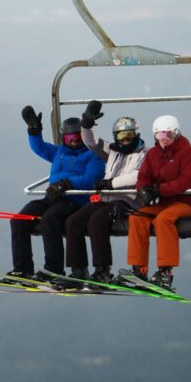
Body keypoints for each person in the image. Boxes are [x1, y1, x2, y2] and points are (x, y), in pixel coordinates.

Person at [5, 105, 105, 283]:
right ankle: (22, 268)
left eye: (77, 136)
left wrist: (66, 184)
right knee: (18, 219)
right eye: (69, 137)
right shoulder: (60, 152)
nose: (73, 141)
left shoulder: (92, 156)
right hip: (52, 197)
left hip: (75, 200)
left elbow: (91, 178)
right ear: (64, 137)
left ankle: (54, 268)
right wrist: (34, 130)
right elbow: (40, 148)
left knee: (49, 219)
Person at [61, 100, 147, 287]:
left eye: (129, 136)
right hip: (105, 199)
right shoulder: (113, 151)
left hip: (128, 200)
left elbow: (138, 175)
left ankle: (102, 271)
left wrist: (111, 183)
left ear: (136, 135)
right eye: (121, 136)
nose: (125, 140)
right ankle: (78, 270)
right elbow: (90, 141)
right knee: (73, 221)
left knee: (97, 220)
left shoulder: (144, 154)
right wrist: (86, 123)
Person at [125, 115, 191, 291]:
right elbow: (144, 176)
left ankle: (165, 271)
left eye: (168, 135)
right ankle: (139, 269)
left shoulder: (187, 152)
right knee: (137, 217)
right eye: (160, 136)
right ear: (155, 136)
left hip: (188, 201)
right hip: (165, 201)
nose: (165, 140)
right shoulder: (153, 154)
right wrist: (144, 190)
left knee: (163, 219)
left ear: (176, 133)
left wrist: (160, 190)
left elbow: (187, 181)